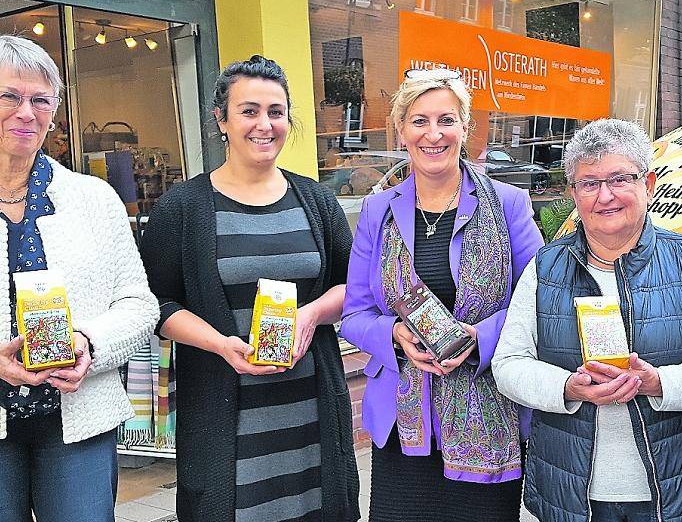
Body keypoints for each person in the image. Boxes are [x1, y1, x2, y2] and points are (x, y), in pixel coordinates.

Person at [139, 55, 359, 522]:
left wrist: (312, 313)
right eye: (249, 111)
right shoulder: (184, 206)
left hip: (311, 413)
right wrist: (219, 344)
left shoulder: (316, 199)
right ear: (221, 120)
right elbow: (155, 304)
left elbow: (356, 285)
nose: (265, 124)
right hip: (226, 420)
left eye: (275, 112)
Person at [492, 118, 682, 522]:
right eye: (588, 183)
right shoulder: (545, 269)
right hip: (573, 494)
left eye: (619, 179)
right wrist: (568, 388)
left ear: (648, 183)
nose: (604, 196)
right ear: (573, 193)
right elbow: (508, 365)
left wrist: (661, 383)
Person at [341, 68, 544, 522]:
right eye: (419, 121)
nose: (433, 134)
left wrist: (480, 337)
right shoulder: (378, 210)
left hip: (487, 418)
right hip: (402, 423)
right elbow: (354, 314)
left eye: (446, 120)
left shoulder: (508, 203)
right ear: (401, 130)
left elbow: (541, 299)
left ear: (465, 128)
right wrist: (395, 334)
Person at [0, 35, 158, 520]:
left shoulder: (95, 198)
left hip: (80, 413)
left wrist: (91, 343)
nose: (26, 112)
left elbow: (139, 303)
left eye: (40, 100)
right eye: (9, 96)